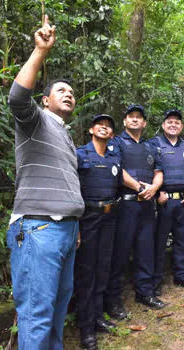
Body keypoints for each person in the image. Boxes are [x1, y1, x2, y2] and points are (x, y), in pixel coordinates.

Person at [6, 15, 84, 349]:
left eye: (72, 92)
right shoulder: (35, 123)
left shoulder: (66, 137)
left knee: (56, 311)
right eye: (62, 91)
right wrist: (40, 52)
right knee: (37, 314)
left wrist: (74, 225)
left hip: (65, 231)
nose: (69, 95)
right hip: (38, 229)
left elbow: (68, 186)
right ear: (46, 100)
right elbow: (16, 99)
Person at [104, 104, 166, 318]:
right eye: (130, 117)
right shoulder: (116, 143)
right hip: (126, 204)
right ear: (124, 121)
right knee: (120, 252)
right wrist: (140, 187)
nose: (134, 120)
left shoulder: (151, 147)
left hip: (147, 204)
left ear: (145, 123)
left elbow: (159, 172)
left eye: (139, 117)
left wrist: (154, 188)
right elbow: (116, 171)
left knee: (145, 249)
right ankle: (113, 300)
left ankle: (145, 292)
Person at [74, 114, 124, 350]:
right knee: (87, 271)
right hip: (88, 218)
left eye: (108, 126)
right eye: (100, 125)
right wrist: (75, 225)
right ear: (91, 130)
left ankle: (97, 317)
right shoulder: (80, 154)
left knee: (104, 267)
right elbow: (72, 188)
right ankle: (86, 328)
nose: (104, 128)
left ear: (112, 135)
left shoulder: (115, 156)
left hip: (110, 217)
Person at [150, 109, 184, 294]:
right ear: (163, 125)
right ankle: (155, 280)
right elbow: (148, 170)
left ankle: (182, 275)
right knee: (159, 241)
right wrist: (157, 194)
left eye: (177, 122)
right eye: (169, 121)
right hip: (163, 201)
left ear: (181, 127)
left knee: (183, 240)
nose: (173, 124)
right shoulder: (154, 144)